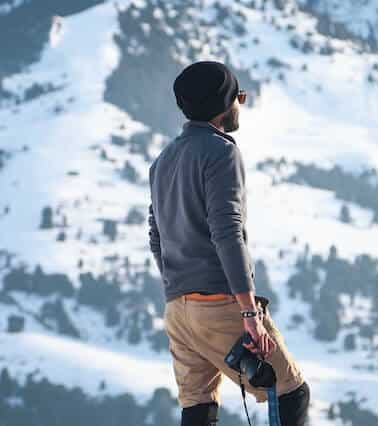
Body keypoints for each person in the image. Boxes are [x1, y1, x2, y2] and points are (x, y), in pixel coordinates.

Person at [148, 60, 310, 426]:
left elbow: (156, 236)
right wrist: (250, 313)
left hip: (177, 311)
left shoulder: (162, 161)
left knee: (199, 408)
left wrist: (180, 288)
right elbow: (227, 232)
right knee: (290, 393)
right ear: (226, 102)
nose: (241, 102)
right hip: (219, 304)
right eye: (240, 95)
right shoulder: (221, 152)